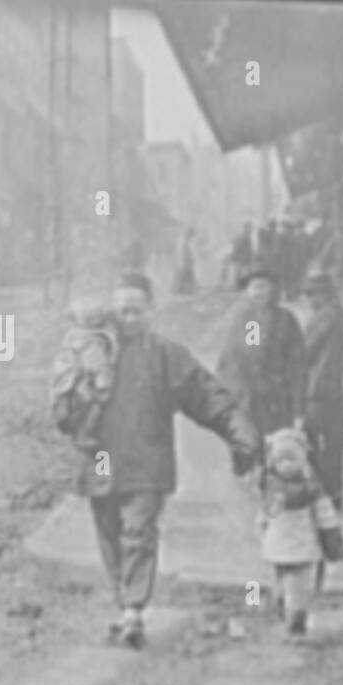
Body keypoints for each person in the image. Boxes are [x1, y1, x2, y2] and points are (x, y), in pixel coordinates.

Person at [69, 271, 257, 648]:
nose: (129, 319)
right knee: (109, 533)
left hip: (147, 461)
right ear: (112, 311)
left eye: (137, 311)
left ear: (151, 311)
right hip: (102, 459)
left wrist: (239, 431)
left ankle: (134, 611)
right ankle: (125, 603)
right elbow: (64, 407)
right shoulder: (93, 352)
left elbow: (205, 394)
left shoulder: (166, 355)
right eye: (122, 311)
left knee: (138, 532)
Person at [257, 425, 343, 640]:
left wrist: (261, 529)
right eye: (281, 460)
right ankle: (294, 617)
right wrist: (332, 540)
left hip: (283, 546)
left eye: (291, 459)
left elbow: (264, 516)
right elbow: (325, 516)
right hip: (301, 545)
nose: (286, 465)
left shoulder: (273, 488)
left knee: (290, 584)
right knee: (297, 586)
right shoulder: (312, 489)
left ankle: (288, 613)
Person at [215, 268, 307, 444]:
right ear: (247, 292)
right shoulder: (250, 321)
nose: (259, 293)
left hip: (278, 401)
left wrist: (297, 404)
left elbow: (298, 363)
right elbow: (251, 355)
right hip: (251, 400)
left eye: (263, 287)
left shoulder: (286, 319)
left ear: (272, 289)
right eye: (254, 288)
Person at [301, 268, 343, 508]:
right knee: (334, 445)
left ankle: (320, 493)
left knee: (312, 442)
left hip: (318, 390)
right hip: (340, 389)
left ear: (324, 295)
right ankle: (335, 492)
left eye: (312, 295)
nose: (309, 301)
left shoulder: (322, 318)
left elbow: (305, 353)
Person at [50, 297, 120, 452]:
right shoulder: (93, 342)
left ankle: (88, 470)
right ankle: (101, 468)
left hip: (66, 392)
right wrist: (105, 388)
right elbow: (98, 368)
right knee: (99, 437)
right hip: (82, 395)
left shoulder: (73, 337)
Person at [172, 226, 197, 295]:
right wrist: (188, 263)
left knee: (186, 280)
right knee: (183, 280)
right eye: (191, 235)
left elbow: (188, 254)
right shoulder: (183, 242)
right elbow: (184, 255)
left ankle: (187, 291)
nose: (191, 237)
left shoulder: (184, 242)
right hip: (184, 265)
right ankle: (179, 292)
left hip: (184, 265)